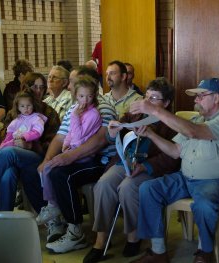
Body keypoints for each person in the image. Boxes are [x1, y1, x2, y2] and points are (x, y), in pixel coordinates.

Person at [129, 78, 219, 263]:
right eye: (196, 97)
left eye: (200, 96)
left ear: (216, 98)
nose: (195, 100)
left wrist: (155, 109)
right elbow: (175, 151)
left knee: (204, 203)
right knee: (148, 189)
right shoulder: (196, 120)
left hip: (217, 181)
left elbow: (193, 132)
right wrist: (150, 133)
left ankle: (205, 253)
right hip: (186, 178)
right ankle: (158, 253)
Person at [83, 77, 181, 263]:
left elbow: (171, 158)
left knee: (128, 188)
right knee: (103, 184)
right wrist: (112, 132)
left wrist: (145, 166)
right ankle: (101, 240)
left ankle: (134, 236)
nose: (147, 102)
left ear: (166, 103)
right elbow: (115, 136)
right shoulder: (135, 114)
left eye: (154, 99)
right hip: (125, 162)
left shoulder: (172, 123)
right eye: (147, 97)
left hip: (149, 166)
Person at [22, 68, 117, 250]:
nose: (69, 87)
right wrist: (47, 160)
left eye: (72, 82)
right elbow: (61, 136)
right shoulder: (74, 108)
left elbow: (99, 142)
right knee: (34, 170)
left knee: (61, 174)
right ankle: (56, 220)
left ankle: (75, 233)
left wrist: (66, 157)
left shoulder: (102, 107)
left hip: (100, 161)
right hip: (77, 157)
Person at [0, 72, 60, 212]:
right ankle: (3, 222)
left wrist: (31, 145)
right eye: (34, 86)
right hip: (14, 157)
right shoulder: (16, 111)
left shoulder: (48, 112)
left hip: (38, 159)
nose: (38, 90)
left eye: (41, 87)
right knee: (8, 174)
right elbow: (3, 134)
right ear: (25, 87)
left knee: (9, 152)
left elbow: (54, 142)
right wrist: (13, 137)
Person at [36, 76, 102, 226]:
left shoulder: (93, 114)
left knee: (56, 172)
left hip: (85, 156)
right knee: (45, 169)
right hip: (71, 150)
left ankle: (58, 209)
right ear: (75, 95)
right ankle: (52, 204)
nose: (85, 100)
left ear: (94, 96)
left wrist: (75, 118)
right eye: (81, 96)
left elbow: (79, 139)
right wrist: (65, 144)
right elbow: (69, 133)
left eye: (89, 96)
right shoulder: (75, 109)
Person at [0, 88, 47, 159]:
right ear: (18, 107)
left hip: (30, 147)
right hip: (15, 143)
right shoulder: (16, 120)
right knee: (5, 148)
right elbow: (9, 135)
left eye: (29, 105)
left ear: (33, 105)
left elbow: (37, 132)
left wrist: (24, 136)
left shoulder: (37, 118)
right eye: (22, 106)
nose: (26, 108)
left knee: (7, 149)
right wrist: (4, 144)